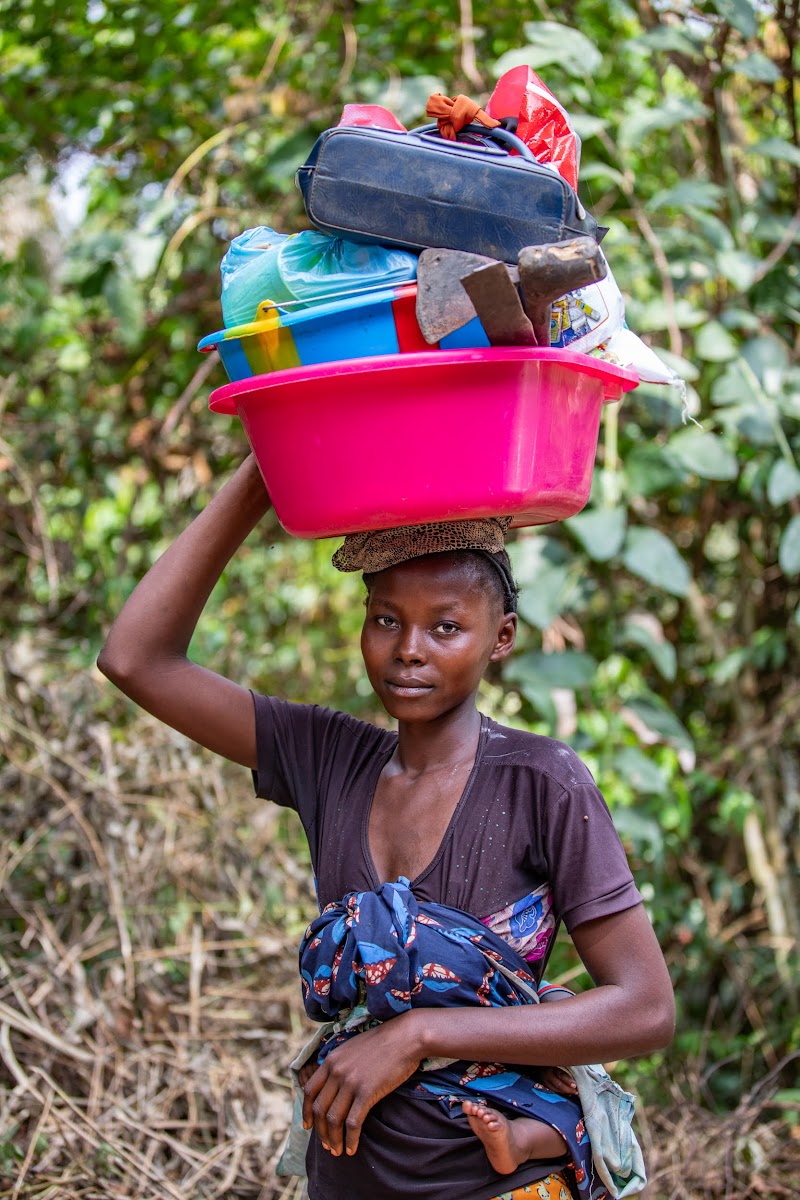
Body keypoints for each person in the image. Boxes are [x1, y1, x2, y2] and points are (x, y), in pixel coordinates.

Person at [97, 453, 676, 1200]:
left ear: (500, 638)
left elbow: (645, 1007)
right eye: (385, 620)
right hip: (349, 1178)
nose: (409, 649)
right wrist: (264, 471)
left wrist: (418, 1033)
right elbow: (135, 658)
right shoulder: (329, 759)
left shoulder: (540, 781)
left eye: (445, 627)